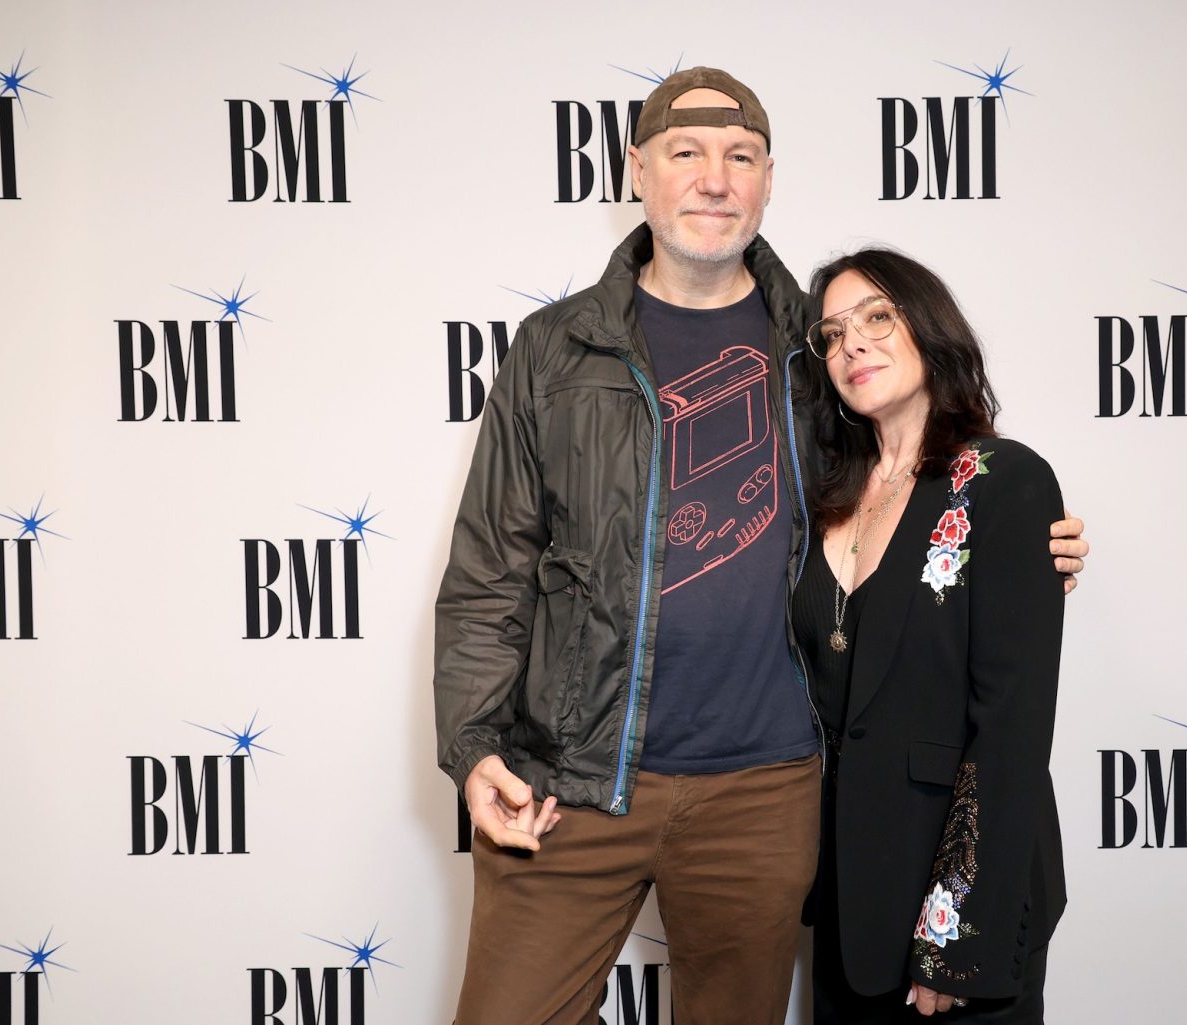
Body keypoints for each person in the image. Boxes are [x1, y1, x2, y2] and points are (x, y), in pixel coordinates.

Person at [432, 68, 1087, 1025]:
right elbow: (491, 570)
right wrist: (475, 743)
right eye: (686, 154)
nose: (714, 179)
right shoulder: (553, 348)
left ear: (768, 180)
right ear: (637, 173)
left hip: (768, 788)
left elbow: (916, 484)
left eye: (739, 157)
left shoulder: (815, 347)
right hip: (573, 777)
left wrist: (1030, 547)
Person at [793, 249, 1066, 1023]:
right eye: (832, 333)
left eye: (877, 316)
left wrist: (953, 937)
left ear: (928, 326)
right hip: (848, 907)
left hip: (956, 912)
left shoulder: (1004, 480)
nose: (853, 344)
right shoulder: (823, 498)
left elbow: (1010, 728)